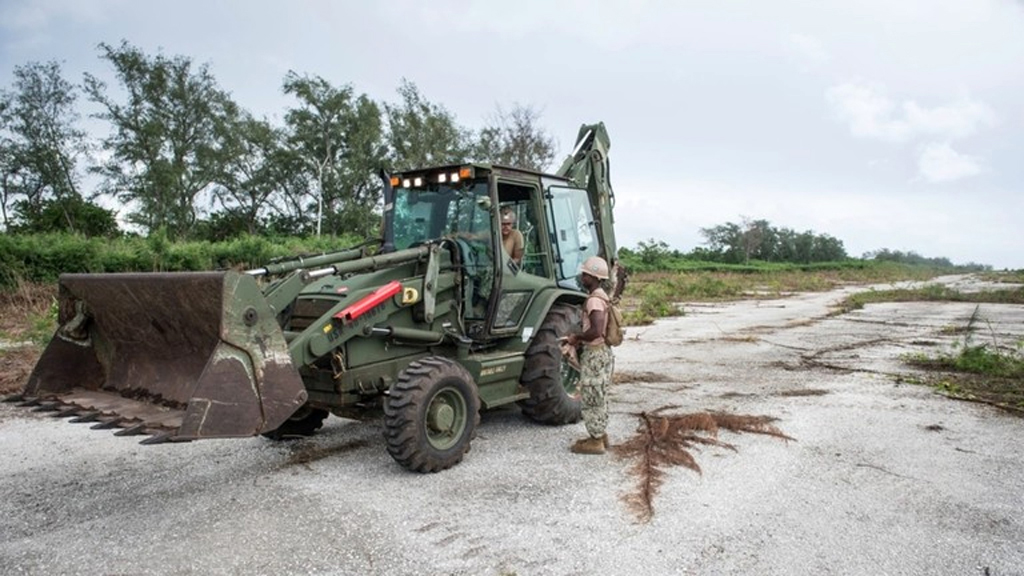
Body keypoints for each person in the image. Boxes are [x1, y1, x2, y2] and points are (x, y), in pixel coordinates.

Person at [564, 255, 614, 455]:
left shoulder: (594, 300)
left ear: (593, 277)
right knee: (599, 393)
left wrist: (576, 338)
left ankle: (595, 441)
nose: (582, 277)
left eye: (585, 274)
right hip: (602, 351)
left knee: (591, 395)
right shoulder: (603, 296)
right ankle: (600, 434)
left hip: (595, 353)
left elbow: (596, 331)